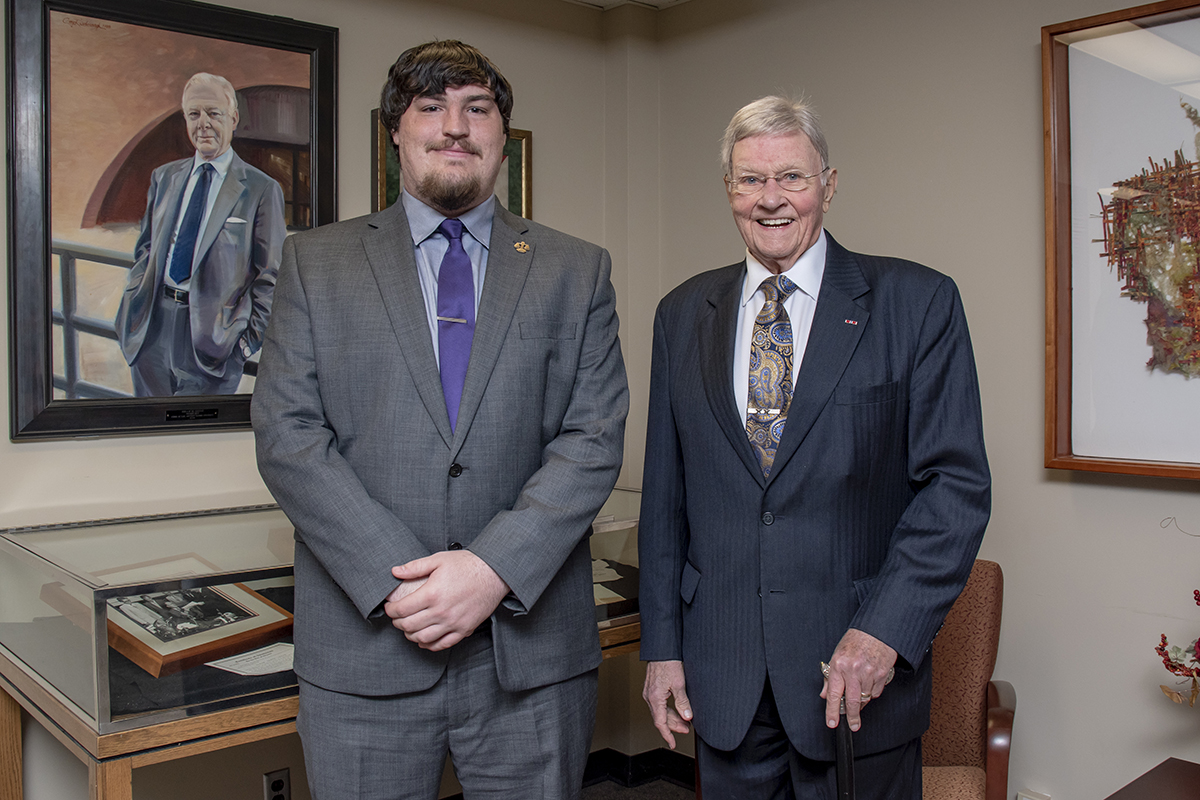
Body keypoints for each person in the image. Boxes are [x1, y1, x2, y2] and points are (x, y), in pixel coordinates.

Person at [252, 41, 628, 800]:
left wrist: (491, 571)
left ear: (501, 136)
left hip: (530, 661)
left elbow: (592, 439)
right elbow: (290, 438)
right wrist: (403, 584)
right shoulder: (314, 264)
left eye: (476, 109)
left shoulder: (574, 269)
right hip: (366, 654)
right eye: (431, 107)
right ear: (397, 130)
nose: (455, 127)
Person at [637, 96, 991, 799]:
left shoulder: (916, 304)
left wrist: (884, 633)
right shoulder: (682, 314)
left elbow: (956, 490)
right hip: (724, 676)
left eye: (792, 178)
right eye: (750, 180)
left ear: (828, 185)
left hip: (856, 676)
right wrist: (663, 647)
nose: (771, 200)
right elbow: (664, 497)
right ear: (730, 191)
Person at [115, 72, 285, 396]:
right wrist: (133, 306)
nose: (203, 123)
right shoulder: (164, 177)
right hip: (151, 331)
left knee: (196, 444)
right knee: (147, 440)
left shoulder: (262, 189)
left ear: (233, 118)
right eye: (194, 114)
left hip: (213, 347)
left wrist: (246, 346)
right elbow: (146, 249)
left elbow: (271, 277)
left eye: (213, 113)